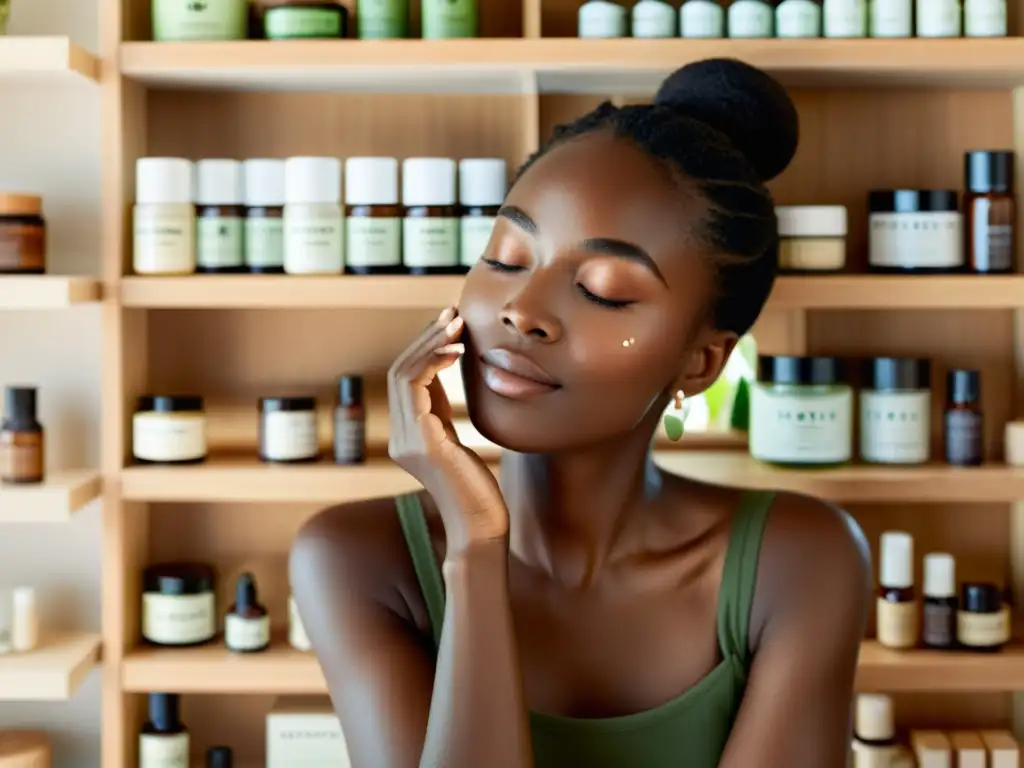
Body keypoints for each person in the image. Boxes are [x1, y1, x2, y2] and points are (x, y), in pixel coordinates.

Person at [291, 57, 871, 768]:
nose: (521, 310)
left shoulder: (801, 562)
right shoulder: (356, 561)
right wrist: (475, 551)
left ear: (700, 362)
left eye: (603, 290)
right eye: (506, 256)